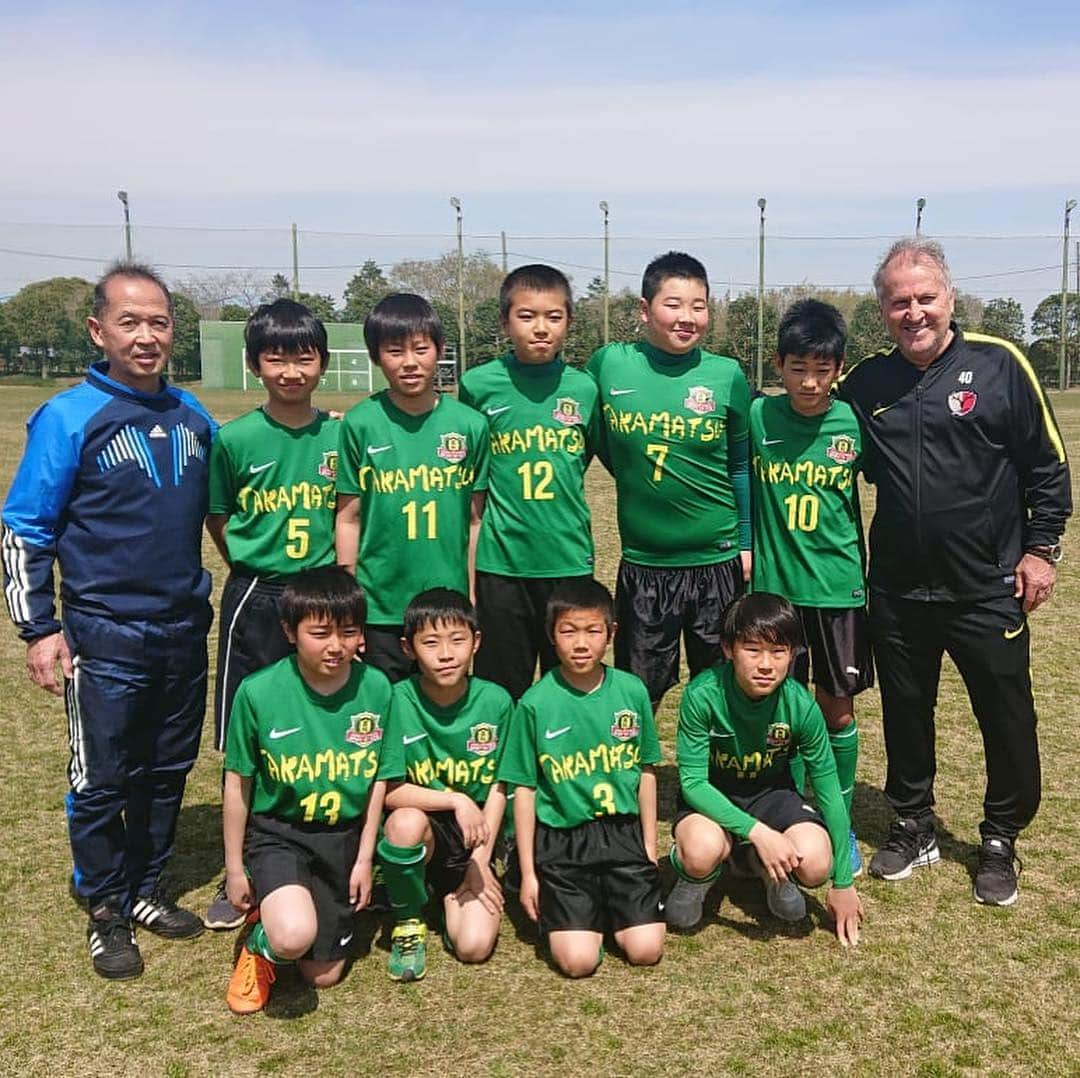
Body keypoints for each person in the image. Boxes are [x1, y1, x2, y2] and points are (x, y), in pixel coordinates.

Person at [838, 238, 1071, 906]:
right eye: (898, 302)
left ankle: (1000, 836)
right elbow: (812, 434)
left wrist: (1041, 550)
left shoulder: (1000, 365)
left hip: (987, 586)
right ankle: (914, 822)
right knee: (908, 713)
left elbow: (1047, 468)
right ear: (882, 310)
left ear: (950, 297)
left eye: (925, 298)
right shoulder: (868, 384)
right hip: (898, 589)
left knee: (1006, 716)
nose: (914, 313)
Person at [1, 262, 214, 979]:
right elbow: (26, 527)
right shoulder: (68, 416)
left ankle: (148, 887)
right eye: (130, 321)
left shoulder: (193, 415)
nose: (147, 335)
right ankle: (105, 907)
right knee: (102, 778)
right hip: (103, 634)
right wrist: (38, 629)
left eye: (158, 321)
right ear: (99, 330)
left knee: (167, 769)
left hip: (183, 629)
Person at [203, 298, 340, 930]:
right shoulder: (233, 439)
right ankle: (245, 862)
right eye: (276, 357)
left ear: (323, 361)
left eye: (303, 356)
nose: (290, 370)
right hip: (257, 597)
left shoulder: (341, 433)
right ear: (255, 363)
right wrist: (252, 569)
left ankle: (323, 851)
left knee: (325, 719)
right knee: (248, 732)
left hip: (322, 596)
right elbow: (219, 515)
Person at [222, 567, 392, 1014]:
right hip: (281, 833)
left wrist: (364, 858)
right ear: (289, 631)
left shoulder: (376, 688)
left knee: (325, 975)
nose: (335, 646)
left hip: (343, 837)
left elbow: (379, 782)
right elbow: (238, 783)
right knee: (292, 937)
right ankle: (262, 944)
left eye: (349, 632)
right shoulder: (258, 692)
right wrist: (235, 868)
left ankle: (290, 913)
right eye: (319, 633)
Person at [587, 252, 751, 709]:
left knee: (721, 687)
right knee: (639, 692)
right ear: (644, 309)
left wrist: (746, 543)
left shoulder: (726, 375)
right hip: (645, 564)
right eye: (674, 304)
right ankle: (635, 780)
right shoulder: (608, 365)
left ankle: (721, 778)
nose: (687, 318)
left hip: (715, 561)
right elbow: (599, 440)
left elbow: (739, 466)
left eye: (698, 306)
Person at [749, 299, 871, 875]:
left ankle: (837, 823)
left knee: (836, 711)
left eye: (822, 369)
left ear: (838, 368)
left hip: (839, 591)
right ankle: (794, 817)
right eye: (798, 367)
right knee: (785, 712)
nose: (809, 380)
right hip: (778, 596)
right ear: (779, 365)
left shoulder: (853, 422)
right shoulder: (759, 418)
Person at [665, 593, 863, 946]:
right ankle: (696, 878)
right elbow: (693, 783)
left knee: (816, 862)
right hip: (713, 796)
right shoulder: (703, 694)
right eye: (753, 650)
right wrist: (758, 831)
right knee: (701, 849)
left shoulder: (799, 704)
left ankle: (767, 871)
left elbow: (829, 789)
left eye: (778, 652)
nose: (766, 664)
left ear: (793, 654)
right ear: (728, 649)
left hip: (772, 796)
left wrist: (843, 882)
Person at [497, 578, 666, 978]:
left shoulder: (631, 691)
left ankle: (610, 908)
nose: (580, 643)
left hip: (621, 834)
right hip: (563, 841)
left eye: (592, 631)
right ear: (551, 636)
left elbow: (645, 772)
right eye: (568, 631)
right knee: (578, 962)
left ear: (611, 634)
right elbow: (523, 789)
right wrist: (529, 873)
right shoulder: (535, 702)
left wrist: (649, 846)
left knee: (646, 950)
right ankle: (584, 916)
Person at [459, 264, 601, 700]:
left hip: (567, 560)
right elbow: (471, 481)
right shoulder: (477, 385)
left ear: (569, 322)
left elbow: (586, 455)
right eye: (527, 316)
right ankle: (505, 768)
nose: (541, 328)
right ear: (505, 321)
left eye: (554, 317)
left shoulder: (585, 389)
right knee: (502, 687)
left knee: (570, 683)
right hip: (501, 565)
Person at [335, 294, 489, 682]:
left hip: (445, 607)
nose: (409, 362)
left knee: (440, 717)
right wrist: (352, 605)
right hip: (379, 607)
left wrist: (470, 592)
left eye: (421, 349)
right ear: (375, 356)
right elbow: (349, 518)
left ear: (439, 350)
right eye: (393, 351)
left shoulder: (470, 425)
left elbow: (474, 521)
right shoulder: (361, 422)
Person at [376, 589, 513, 982]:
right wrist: (454, 800)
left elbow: (501, 789)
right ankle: (408, 919)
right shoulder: (396, 700)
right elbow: (390, 789)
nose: (447, 654)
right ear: (408, 648)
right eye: (430, 642)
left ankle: (445, 892)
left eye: (458, 640)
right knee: (403, 824)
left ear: (477, 643)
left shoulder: (498, 701)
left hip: (476, 840)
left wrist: (480, 864)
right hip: (426, 827)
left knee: (473, 947)